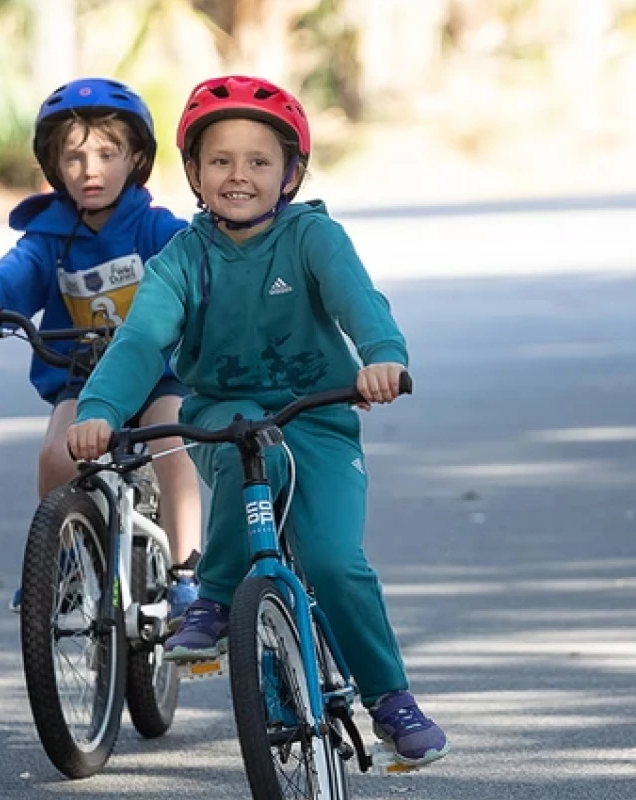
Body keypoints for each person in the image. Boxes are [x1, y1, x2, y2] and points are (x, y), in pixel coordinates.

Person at [66, 75, 448, 768]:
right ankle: (216, 597)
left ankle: (390, 698)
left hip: (319, 417)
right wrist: (99, 409)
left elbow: (360, 303)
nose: (238, 175)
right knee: (256, 450)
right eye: (220, 160)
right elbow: (142, 340)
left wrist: (382, 359)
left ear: (291, 173)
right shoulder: (183, 258)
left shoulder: (312, 238)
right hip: (224, 419)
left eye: (259, 161)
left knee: (335, 562)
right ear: (194, 172)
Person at [0, 77, 202, 622]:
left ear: (136, 159)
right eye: (75, 156)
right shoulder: (49, 239)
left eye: (108, 153)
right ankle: (60, 565)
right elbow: (10, 278)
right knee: (55, 456)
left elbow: (199, 271)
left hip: (157, 374)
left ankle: (185, 574)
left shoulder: (156, 230)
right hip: (82, 375)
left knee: (171, 440)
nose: (91, 170)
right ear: (53, 165)